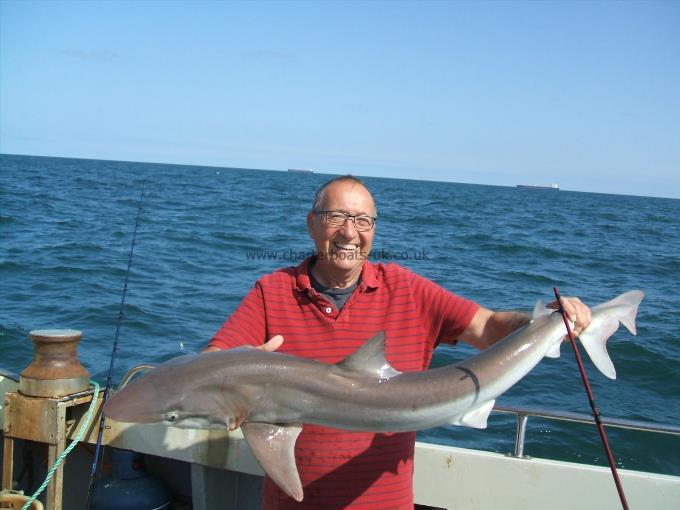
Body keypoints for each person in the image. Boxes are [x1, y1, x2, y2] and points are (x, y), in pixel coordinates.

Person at [206, 175, 591, 509]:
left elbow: (489, 327)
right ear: (311, 224)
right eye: (336, 217)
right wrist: (234, 381)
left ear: (374, 230)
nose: (349, 233)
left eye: (362, 221)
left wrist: (546, 322)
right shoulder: (272, 292)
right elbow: (210, 362)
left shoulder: (406, 290)